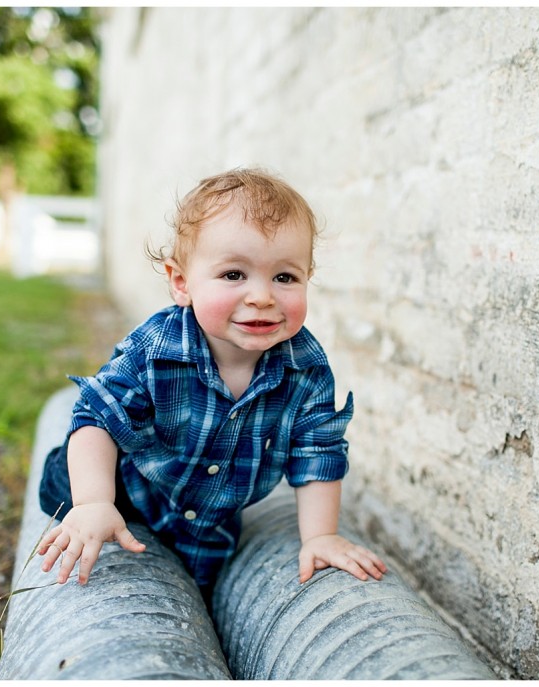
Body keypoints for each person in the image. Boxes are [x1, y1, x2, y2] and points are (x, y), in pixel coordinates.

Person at [37, 167, 386, 604]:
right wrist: (91, 503)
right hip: (120, 485)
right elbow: (98, 419)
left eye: (285, 277)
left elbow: (316, 451)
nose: (262, 296)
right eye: (234, 275)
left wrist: (321, 536)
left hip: (205, 514)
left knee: (199, 583)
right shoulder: (158, 348)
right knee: (85, 506)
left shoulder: (305, 367)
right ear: (182, 283)